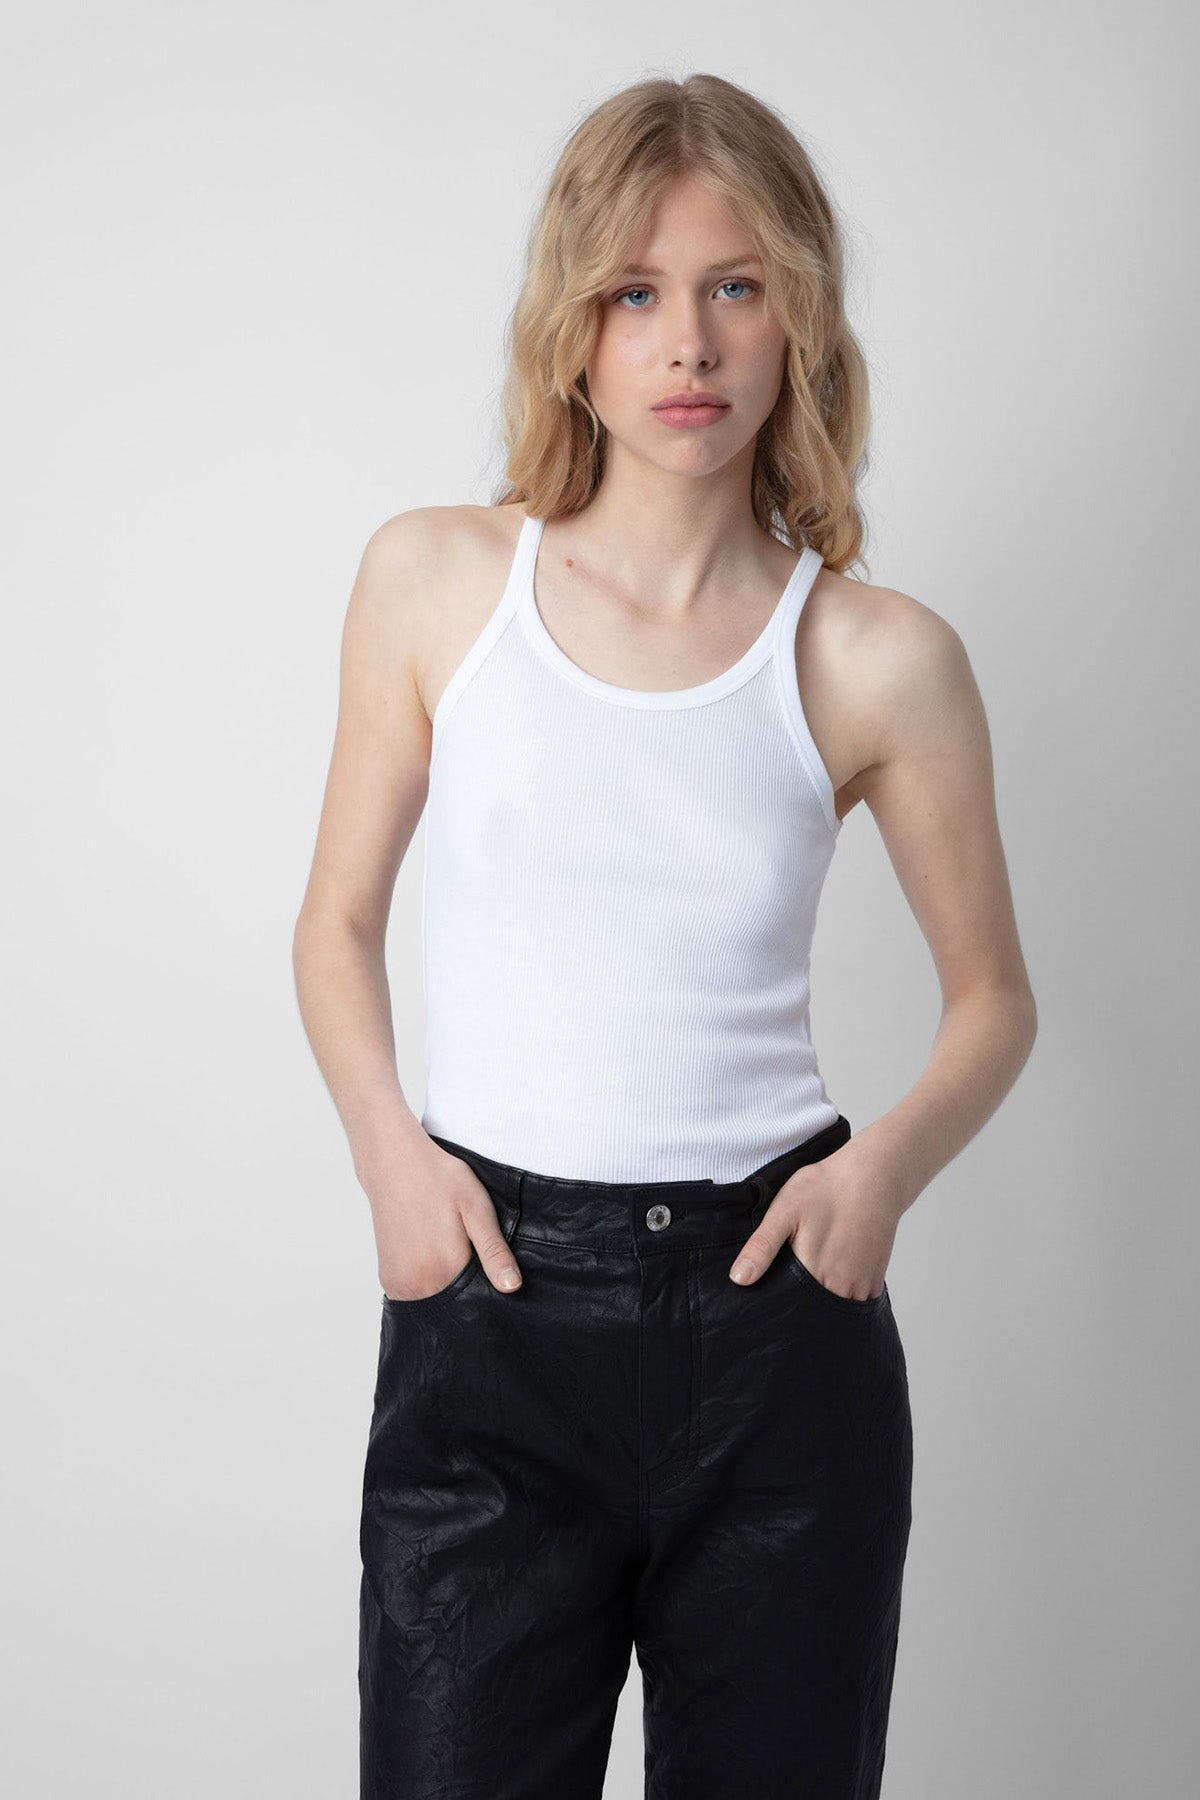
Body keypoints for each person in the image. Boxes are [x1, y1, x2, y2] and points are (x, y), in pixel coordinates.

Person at [293, 71, 1037, 1800]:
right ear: (573, 328)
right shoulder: (436, 584)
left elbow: (994, 999)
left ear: (801, 319)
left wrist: (877, 1180)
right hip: (491, 1314)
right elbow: (336, 922)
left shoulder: (878, 658)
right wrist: (390, 1159)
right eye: (634, 293)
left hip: (775, 1331)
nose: (687, 342)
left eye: (735, 286)